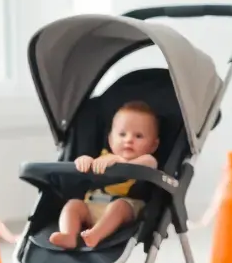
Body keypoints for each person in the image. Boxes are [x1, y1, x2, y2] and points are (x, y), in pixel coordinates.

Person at [50, 101, 160, 249]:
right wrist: (85, 161)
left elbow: (149, 165)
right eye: (122, 134)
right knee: (73, 205)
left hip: (126, 206)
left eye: (138, 136)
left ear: (153, 145)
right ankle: (69, 235)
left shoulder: (147, 159)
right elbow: (92, 166)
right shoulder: (104, 157)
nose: (128, 140)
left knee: (120, 206)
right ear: (110, 139)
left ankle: (95, 235)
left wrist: (121, 161)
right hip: (93, 204)